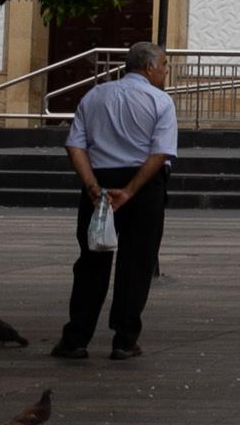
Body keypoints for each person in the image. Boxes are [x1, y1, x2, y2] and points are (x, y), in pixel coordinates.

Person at [57, 40, 178, 359]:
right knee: (136, 264)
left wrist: (91, 185)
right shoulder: (160, 101)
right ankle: (124, 338)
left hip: (100, 183)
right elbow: (159, 152)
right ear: (150, 67)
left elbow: (75, 146)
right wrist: (131, 190)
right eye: (164, 65)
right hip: (143, 187)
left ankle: (77, 336)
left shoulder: (94, 95)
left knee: (91, 261)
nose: (166, 72)